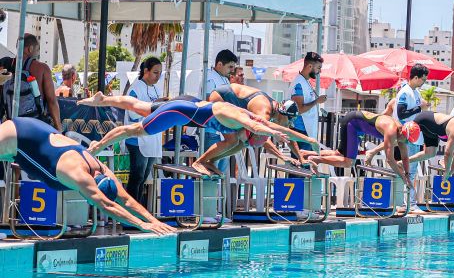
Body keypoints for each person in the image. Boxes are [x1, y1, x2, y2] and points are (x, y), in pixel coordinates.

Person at [0, 117, 174, 235]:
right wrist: (142, 225)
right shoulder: (79, 175)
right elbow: (107, 205)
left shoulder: (102, 169)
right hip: (16, 135)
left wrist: (153, 220)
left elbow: (126, 200)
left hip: (35, 131)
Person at [77, 93, 316, 176]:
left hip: (190, 106)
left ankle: (103, 99)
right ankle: (98, 144)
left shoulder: (254, 118)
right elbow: (257, 129)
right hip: (180, 112)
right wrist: (277, 135)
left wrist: (307, 140)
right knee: (136, 129)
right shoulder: (241, 118)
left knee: (141, 106)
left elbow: (273, 128)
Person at [303, 110, 420, 189]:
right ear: (403, 133)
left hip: (357, 126)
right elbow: (390, 160)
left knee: (338, 154)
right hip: (352, 124)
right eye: (407, 140)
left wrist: (408, 175)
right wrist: (403, 178)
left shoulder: (402, 134)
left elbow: (405, 157)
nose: (406, 143)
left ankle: (306, 154)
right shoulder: (391, 130)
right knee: (348, 162)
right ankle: (316, 159)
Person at [208, 83, 311, 166]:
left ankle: (211, 160)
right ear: (282, 114)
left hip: (233, 104)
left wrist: (301, 158)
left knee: (243, 143)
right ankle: (202, 162)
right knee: (233, 141)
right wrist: (281, 156)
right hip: (220, 99)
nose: (289, 123)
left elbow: (289, 137)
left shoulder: (277, 111)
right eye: (290, 120)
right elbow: (260, 136)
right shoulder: (264, 111)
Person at [123, 57, 163, 205]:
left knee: (144, 177)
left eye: (160, 73)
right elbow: (133, 113)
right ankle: (131, 211)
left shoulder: (156, 89)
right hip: (137, 139)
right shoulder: (136, 88)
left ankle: (139, 209)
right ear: (146, 71)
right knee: (137, 176)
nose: (157, 76)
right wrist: (154, 106)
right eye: (155, 72)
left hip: (152, 138)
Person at [3, 34, 61, 131]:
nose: (38, 53)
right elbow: (52, 101)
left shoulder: (5, 65)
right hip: (35, 125)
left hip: (12, 125)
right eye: (37, 49)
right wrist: (58, 128)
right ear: (30, 49)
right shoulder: (42, 68)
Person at [393, 64, 429, 211]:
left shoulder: (415, 92)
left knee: (411, 170)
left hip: (414, 137)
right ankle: (407, 203)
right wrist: (420, 108)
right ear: (415, 77)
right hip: (406, 137)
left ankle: (408, 203)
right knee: (408, 170)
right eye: (423, 80)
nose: (424, 82)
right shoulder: (405, 92)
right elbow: (401, 114)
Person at [290, 51, 327, 151]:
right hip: (300, 132)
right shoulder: (299, 83)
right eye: (318, 68)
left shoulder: (305, 82)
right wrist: (316, 101)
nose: (319, 71)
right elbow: (299, 109)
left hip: (307, 132)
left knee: (307, 164)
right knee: (302, 165)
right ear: (310, 66)